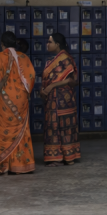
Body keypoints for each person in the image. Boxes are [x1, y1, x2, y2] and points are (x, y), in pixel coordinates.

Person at [0, 31, 36, 176]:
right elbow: (32, 77)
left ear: (2, 44)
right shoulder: (24, 58)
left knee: (2, 131)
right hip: (20, 100)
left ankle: (4, 165)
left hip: (4, 100)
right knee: (21, 130)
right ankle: (21, 165)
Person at [41, 32, 81, 166]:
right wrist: (44, 89)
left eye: (49, 42)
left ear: (57, 45)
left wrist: (51, 86)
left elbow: (72, 80)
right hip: (52, 99)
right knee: (54, 126)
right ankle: (57, 156)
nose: (47, 44)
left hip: (63, 99)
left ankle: (66, 156)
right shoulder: (52, 60)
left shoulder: (65, 59)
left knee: (63, 126)